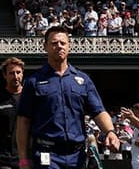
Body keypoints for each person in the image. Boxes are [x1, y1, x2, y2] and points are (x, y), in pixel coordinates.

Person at [15, 26, 121, 169]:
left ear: (69, 46)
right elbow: (23, 121)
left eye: (63, 43)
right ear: (45, 47)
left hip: (76, 156)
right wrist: (23, 158)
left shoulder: (83, 80)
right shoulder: (33, 81)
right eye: (54, 43)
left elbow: (98, 111)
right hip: (47, 154)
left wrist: (110, 132)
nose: (59, 46)